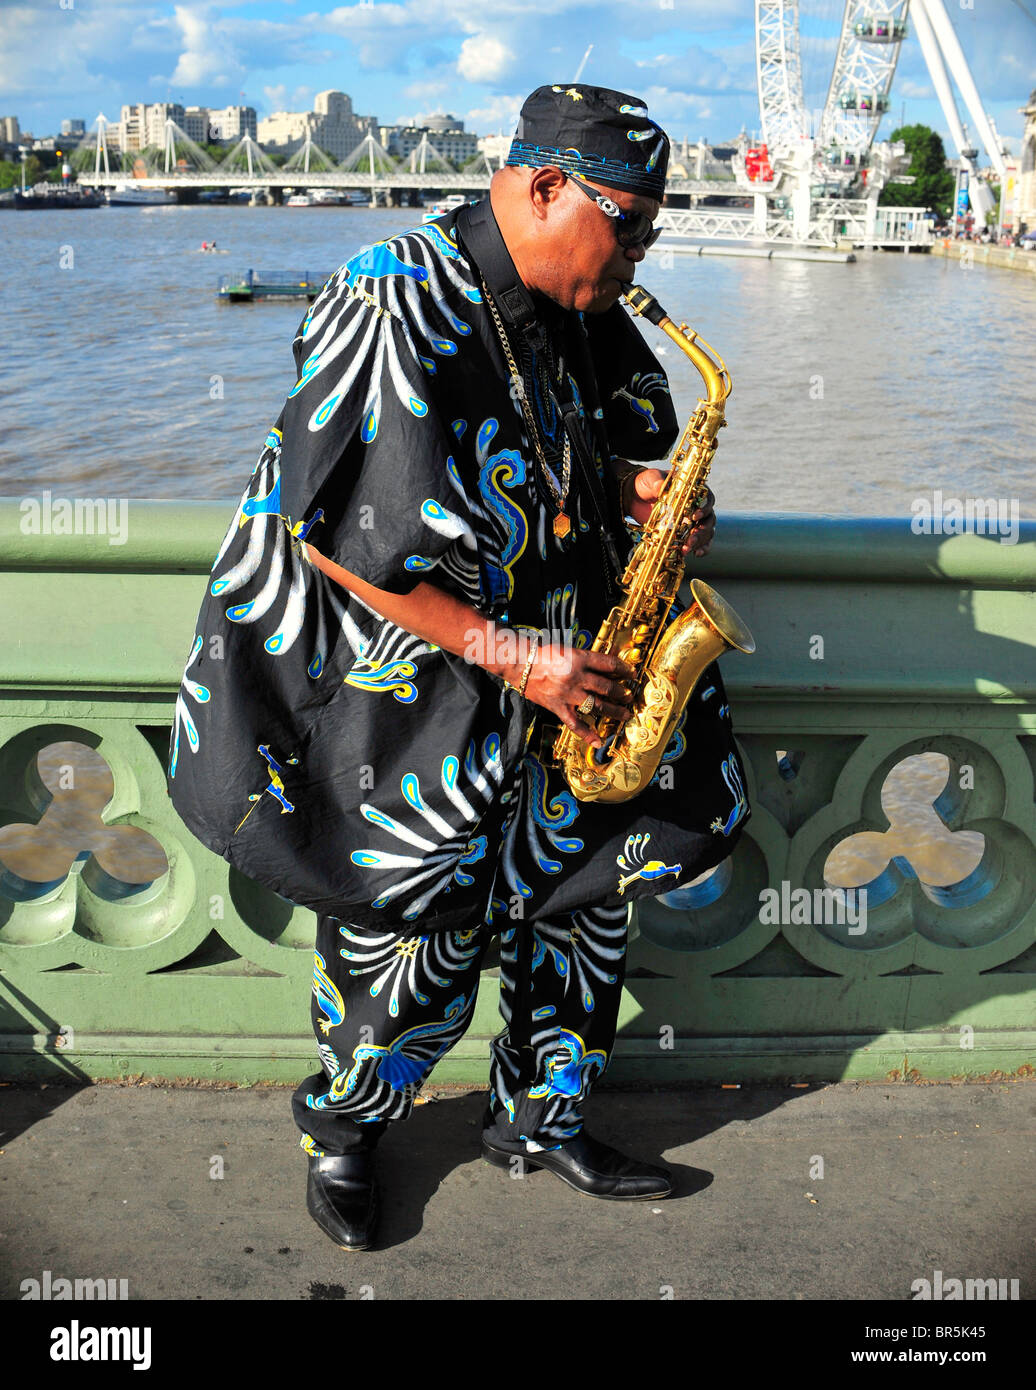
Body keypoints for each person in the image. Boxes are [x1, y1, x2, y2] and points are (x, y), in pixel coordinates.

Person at [166, 83, 751, 1251]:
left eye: (652, 225)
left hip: (567, 661)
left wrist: (644, 499)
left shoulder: (584, 296)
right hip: (416, 676)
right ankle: (346, 1132)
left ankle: (542, 1116)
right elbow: (333, 535)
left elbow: (599, 448)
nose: (642, 252)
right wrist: (506, 653)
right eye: (628, 221)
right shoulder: (393, 296)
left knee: (581, 900)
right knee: (408, 924)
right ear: (543, 187)